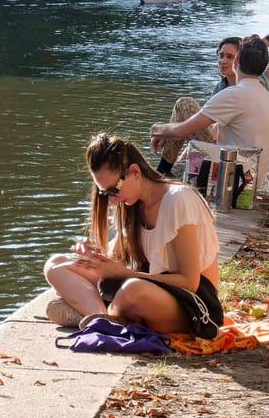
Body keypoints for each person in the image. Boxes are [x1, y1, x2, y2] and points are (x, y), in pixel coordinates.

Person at [43, 133, 223, 338]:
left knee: (132, 290)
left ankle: (87, 311)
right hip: (149, 286)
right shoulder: (129, 205)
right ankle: (102, 318)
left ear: (134, 172)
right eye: (104, 193)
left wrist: (125, 274)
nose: (111, 200)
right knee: (56, 265)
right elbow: (116, 261)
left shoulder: (177, 200)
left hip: (193, 304)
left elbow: (190, 282)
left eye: (113, 190)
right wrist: (91, 256)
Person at [150, 36, 269, 190]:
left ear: (236, 61)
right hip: (252, 182)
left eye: (230, 57)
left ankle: (159, 177)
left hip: (229, 183)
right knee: (169, 171)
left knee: (185, 104)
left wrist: (156, 129)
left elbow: (180, 131)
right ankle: (162, 174)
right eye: (221, 55)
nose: (223, 60)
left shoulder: (234, 94)